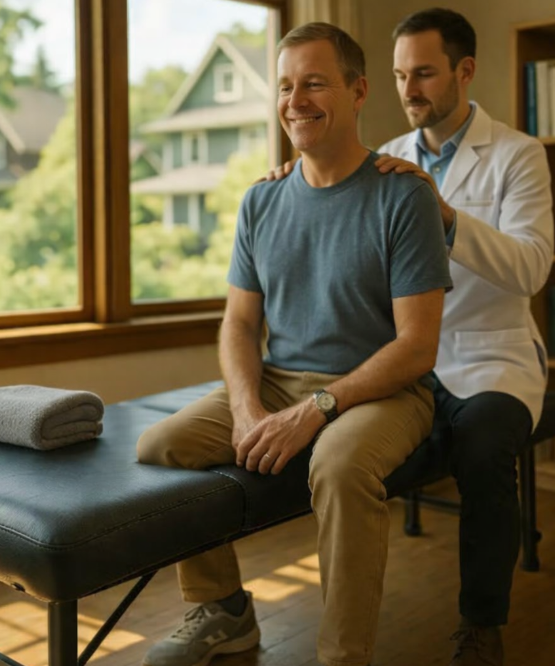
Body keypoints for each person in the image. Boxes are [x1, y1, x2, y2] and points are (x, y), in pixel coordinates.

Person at [136, 21, 453, 666]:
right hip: (279, 379)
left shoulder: (403, 196)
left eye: (314, 83)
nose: (295, 101)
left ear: (359, 91)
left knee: (337, 465)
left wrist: (317, 410)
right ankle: (223, 609)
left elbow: (418, 348)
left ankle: (344, 656)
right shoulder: (261, 199)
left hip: (382, 392)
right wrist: (249, 407)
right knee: (160, 445)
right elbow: (238, 326)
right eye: (285, 86)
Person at [263, 9, 554, 666]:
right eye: (398, 76)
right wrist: (291, 180)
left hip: (486, 357)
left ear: (464, 71)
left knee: (481, 449)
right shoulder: (384, 158)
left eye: (422, 73)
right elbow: (326, 197)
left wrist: (443, 213)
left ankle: (481, 624)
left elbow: (532, 267)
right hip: (398, 357)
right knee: (341, 453)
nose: (408, 90)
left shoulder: (517, 155)